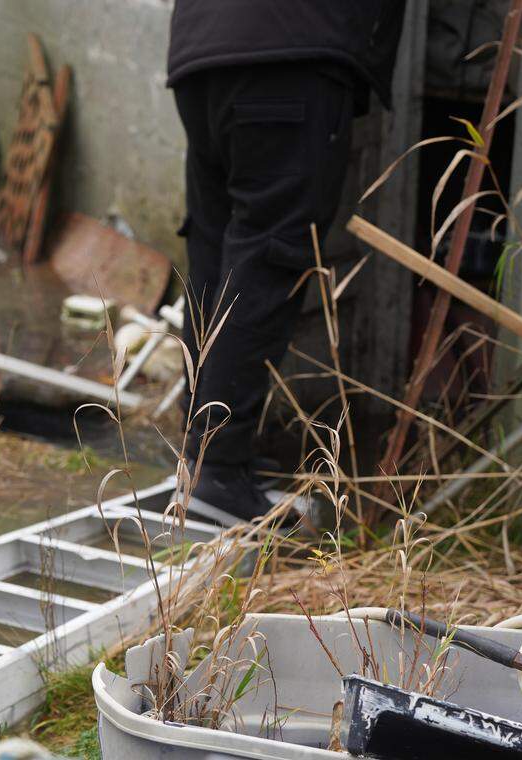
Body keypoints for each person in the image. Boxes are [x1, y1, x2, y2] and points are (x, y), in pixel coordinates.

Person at [168, 0, 406, 525]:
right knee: (268, 255)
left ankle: (204, 456)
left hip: (201, 50)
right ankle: (218, 469)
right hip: (290, 55)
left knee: (216, 248)